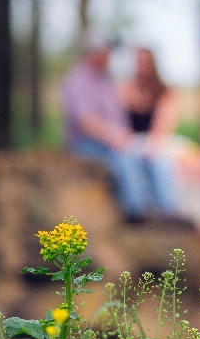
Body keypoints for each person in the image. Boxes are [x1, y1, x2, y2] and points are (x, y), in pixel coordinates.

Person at [60, 37, 178, 222]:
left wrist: (123, 136)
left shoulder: (105, 82)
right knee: (125, 157)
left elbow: (119, 119)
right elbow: (86, 121)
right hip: (86, 144)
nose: (110, 57)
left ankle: (166, 211)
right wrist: (115, 137)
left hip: (112, 140)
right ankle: (137, 212)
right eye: (107, 52)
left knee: (148, 157)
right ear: (95, 54)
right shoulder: (78, 82)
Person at [120, 46, 200, 235]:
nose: (141, 66)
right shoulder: (125, 90)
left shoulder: (165, 92)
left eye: (145, 62)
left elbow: (162, 128)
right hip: (134, 142)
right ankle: (170, 210)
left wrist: (153, 146)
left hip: (157, 141)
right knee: (167, 164)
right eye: (138, 62)